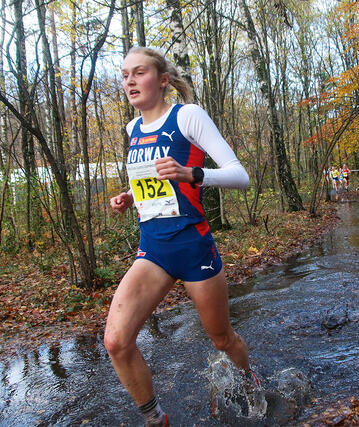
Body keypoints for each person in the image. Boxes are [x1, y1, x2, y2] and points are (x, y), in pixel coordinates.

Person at [106, 46, 258, 426]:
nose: (129, 81)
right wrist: (130, 196)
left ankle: (250, 384)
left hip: (193, 246)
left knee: (222, 339)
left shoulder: (186, 116)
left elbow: (240, 175)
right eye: (125, 75)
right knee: (116, 342)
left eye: (138, 73)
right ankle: (156, 419)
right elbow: (151, 182)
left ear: (162, 80)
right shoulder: (132, 129)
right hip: (154, 249)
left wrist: (193, 173)